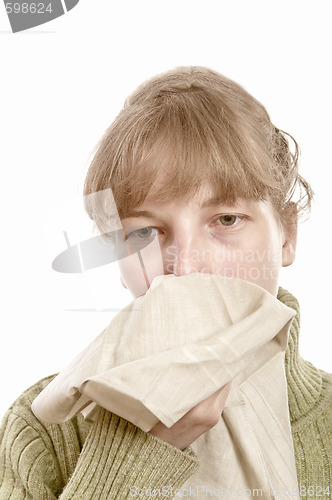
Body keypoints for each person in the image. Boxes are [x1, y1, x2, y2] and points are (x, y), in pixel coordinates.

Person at [0, 66, 331, 499]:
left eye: (226, 219)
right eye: (143, 233)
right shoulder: (43, 429)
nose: (186, 266)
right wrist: (131, 456)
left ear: (287, 235)